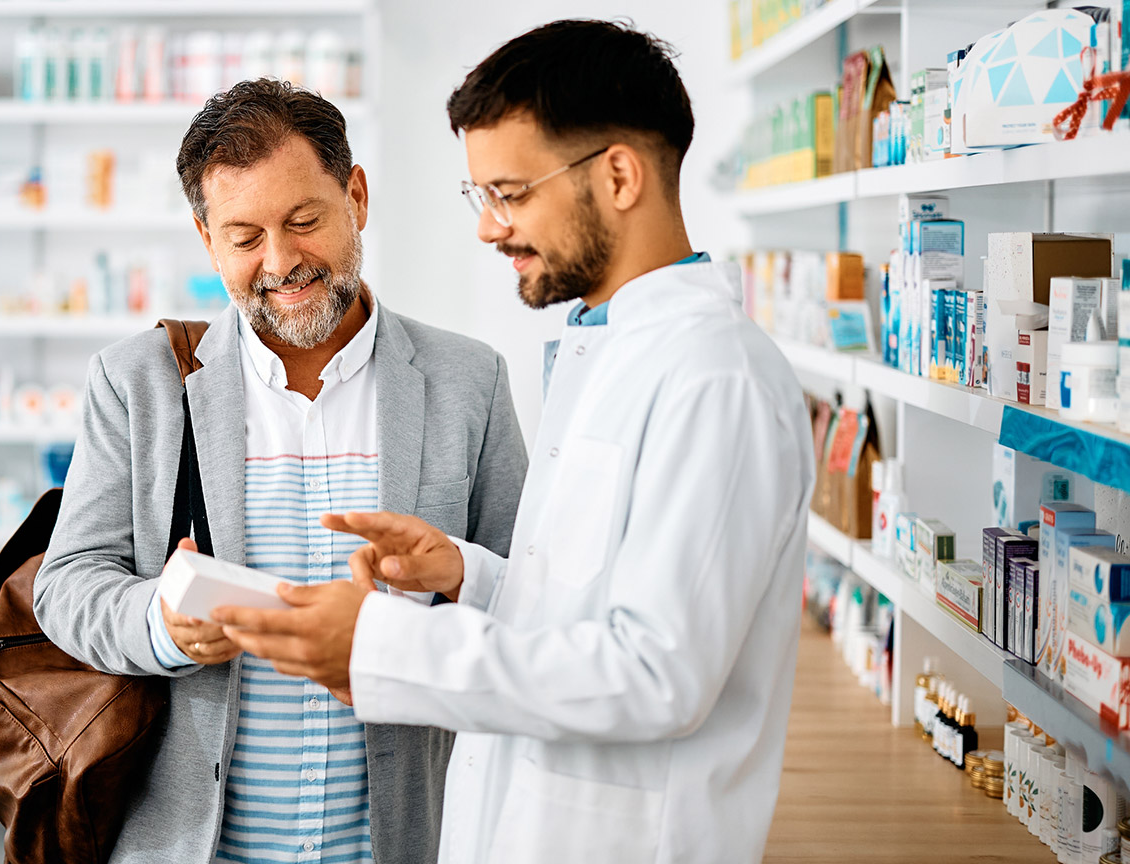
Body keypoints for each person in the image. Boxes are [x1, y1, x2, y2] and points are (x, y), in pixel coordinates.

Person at [211, 20, 816, 864]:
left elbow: (657, 675)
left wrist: (382, 644)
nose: (491, 228)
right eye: (482, 197)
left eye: (511, 192)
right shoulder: (603, 348)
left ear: (616, 175)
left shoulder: (716, 380)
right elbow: (588, 610)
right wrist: (469, 574)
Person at [33, 78, 529, 864]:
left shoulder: (470, 382)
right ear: (205, 238)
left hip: (402, 840)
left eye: (305, 221)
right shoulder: (139, 386)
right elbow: (68, 587)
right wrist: (162, 625)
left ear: (356, 197)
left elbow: (527, 589)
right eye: (244, 236)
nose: (281, 261)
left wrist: (451, 581)